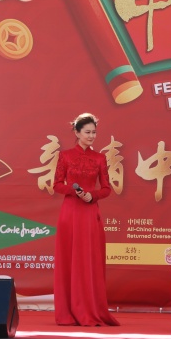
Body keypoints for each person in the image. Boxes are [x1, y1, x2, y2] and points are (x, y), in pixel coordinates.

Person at [53, 113, 119, 326]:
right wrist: (75, 192)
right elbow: (57, 185)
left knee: (89, 260)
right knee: (69, 259)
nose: (91, 136)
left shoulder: (100, 158)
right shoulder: (65, 156)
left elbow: (107, 188)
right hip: (70, 213)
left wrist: (93, 196)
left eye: (94, 132)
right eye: (87, 132)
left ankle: (90, 308)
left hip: (90, 213)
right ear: (77, 132)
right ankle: (68, 311)